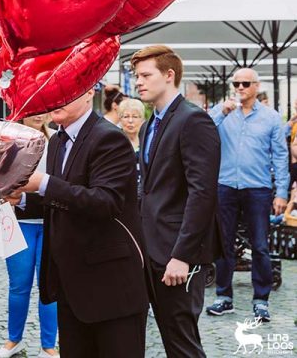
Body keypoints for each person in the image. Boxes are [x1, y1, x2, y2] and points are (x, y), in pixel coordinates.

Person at [19, 90, 148, 357]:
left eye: (64, 91)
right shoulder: (56, 141)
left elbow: (106, 201)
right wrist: (20, 199)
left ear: (89, 93)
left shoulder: (109, 137)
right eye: (50, 92)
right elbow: (61, 202)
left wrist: (44, 183)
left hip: (111, 288)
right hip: (71, 285)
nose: (54, 99)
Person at [131, 46, 221, 358]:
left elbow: (203, 193)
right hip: (150, 249)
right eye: (136, 76)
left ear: (169, 76)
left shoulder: (193, 120)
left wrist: (183, 255)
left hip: (178, 255)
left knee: (182, 345)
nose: (138, 82)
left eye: (145, 75)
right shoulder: (148, 126)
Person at [206, 68, 289, 322]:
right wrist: (222, 111)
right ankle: (224, 297)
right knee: (224, 244)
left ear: (256, 86)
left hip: (258, 188)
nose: (240, 88)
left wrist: (282, 192)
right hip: (225, 185)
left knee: (260, 246)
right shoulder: (223, 112)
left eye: (245, 84)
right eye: (236, 83)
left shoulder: (271, 118)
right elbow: (202, 129)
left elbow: (280, 155)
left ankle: (261, 300)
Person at [0, 113, 58, 358]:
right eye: (33, 110)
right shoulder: (9, 142)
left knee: (49, 286)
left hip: (51, 221)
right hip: (18, 223)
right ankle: (14, 340)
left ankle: (48, 346)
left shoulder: (56, 139)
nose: (40, 115)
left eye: (44, 109)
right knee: (19, 286)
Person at [118, 98, 146, 193]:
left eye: (135, 116)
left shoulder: (147, 140)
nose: (130, 121)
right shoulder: (114, 142)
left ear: (142, 119)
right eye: (126, 116)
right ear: (120, 119)